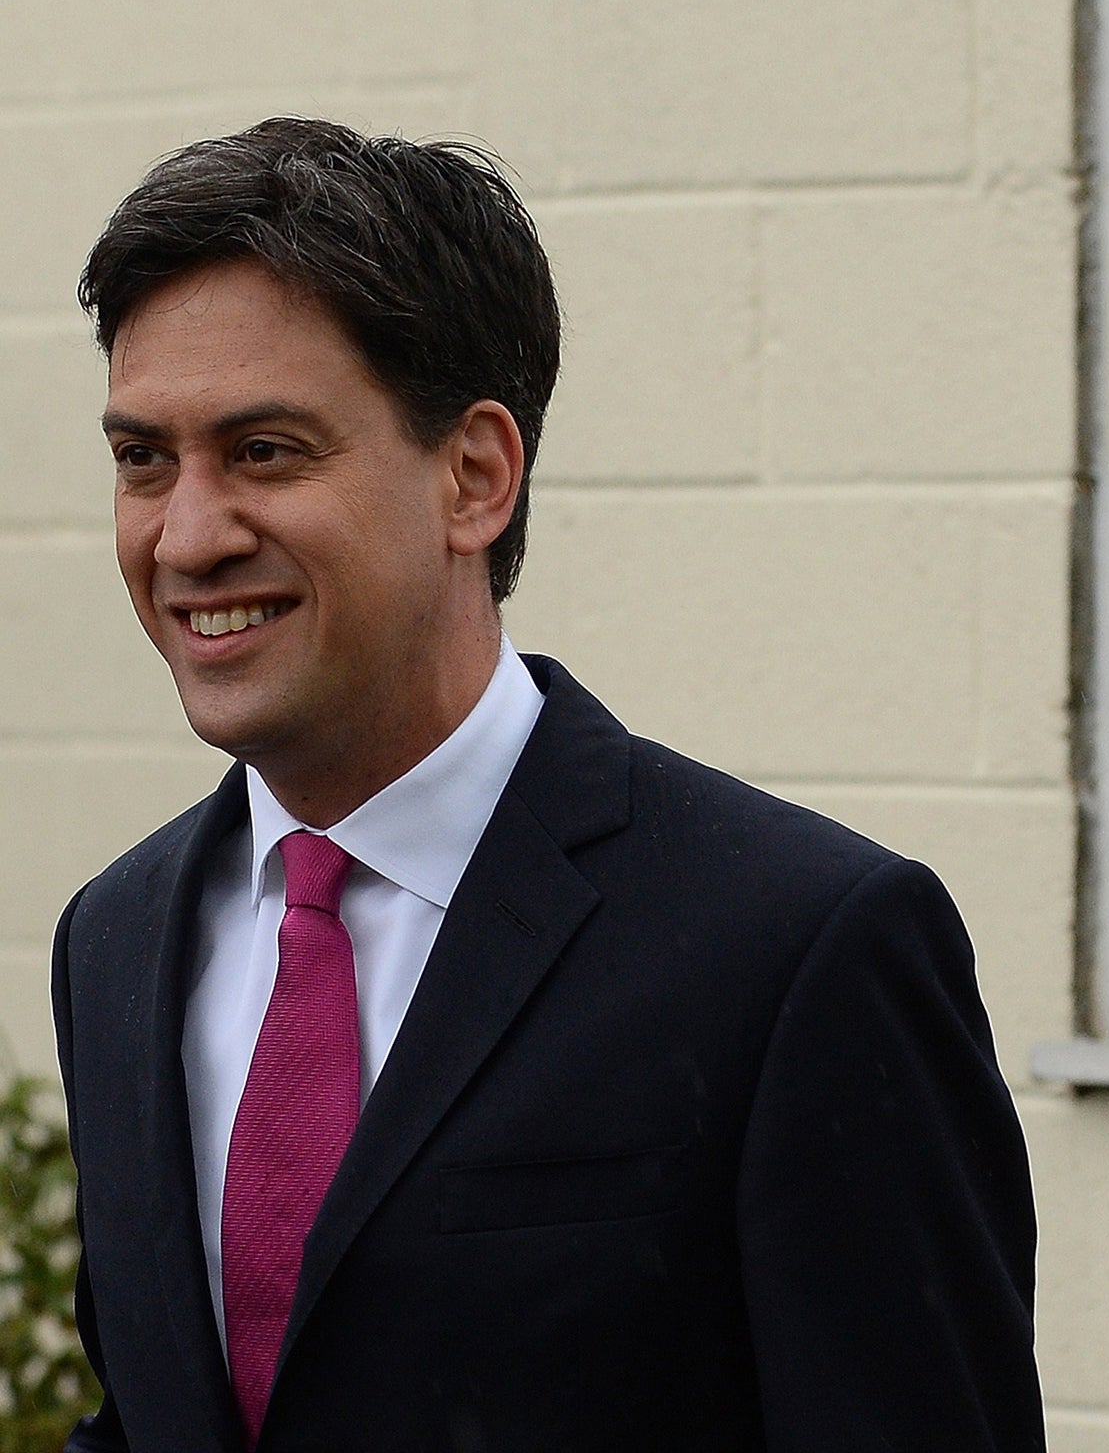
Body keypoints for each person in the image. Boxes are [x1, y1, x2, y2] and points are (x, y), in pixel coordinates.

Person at [51, 117, 1045, 1453]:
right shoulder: (111, 940)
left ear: (474, 478)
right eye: (142, 460)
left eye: (266, 452)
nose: (186, 534)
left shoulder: (802, 950)